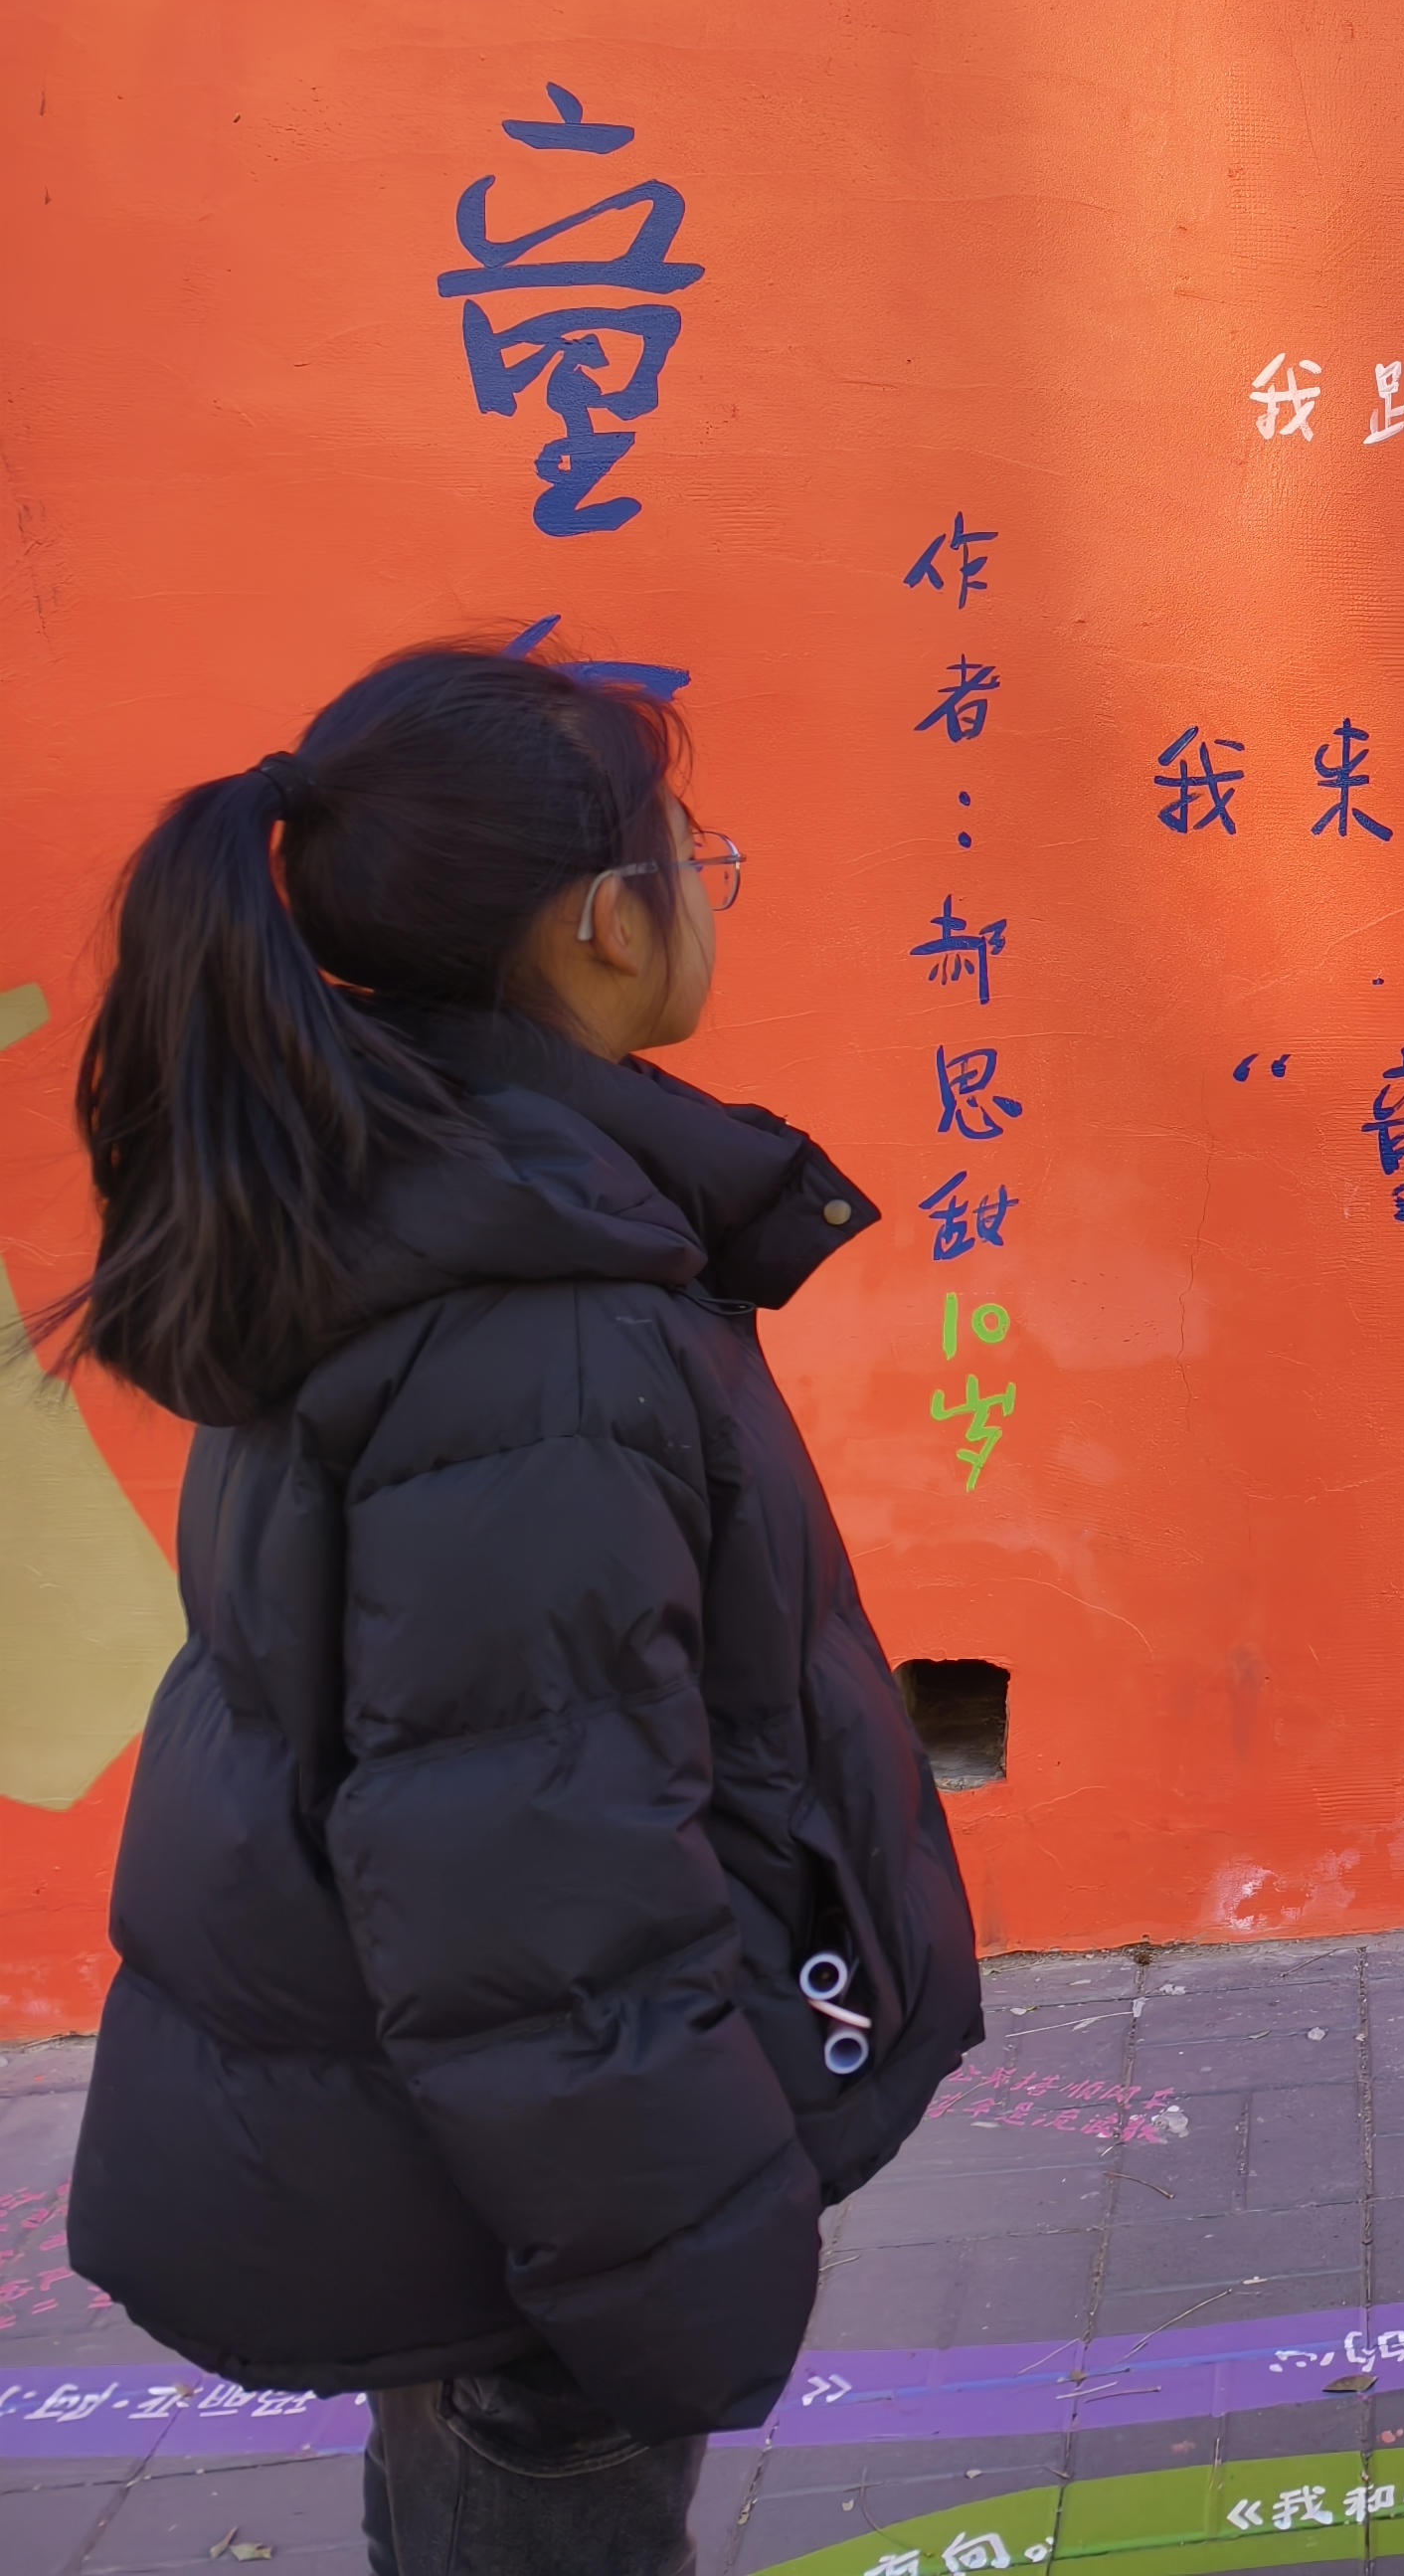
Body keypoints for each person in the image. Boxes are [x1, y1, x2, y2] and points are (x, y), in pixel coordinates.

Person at [38, 643, 979, 2575]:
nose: (709, 885)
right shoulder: (529, 1326)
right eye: (689, 849)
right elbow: (535, 1881)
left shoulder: (414, 1192)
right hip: (528, 2245)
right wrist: (668, 2276)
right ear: (598, 924)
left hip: (453, 2172)